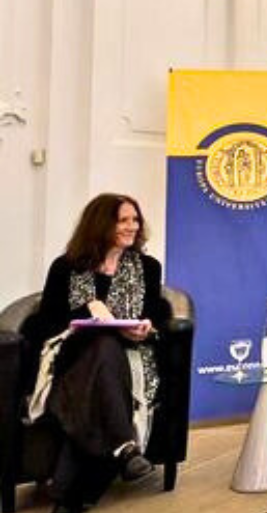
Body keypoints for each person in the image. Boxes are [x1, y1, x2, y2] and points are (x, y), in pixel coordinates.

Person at [21, 194, 167, 513]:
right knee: (100, 347)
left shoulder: (148, 267)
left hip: (128, 360)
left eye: (135, 219)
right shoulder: (67, 267)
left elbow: (158, 315)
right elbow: (44, 322)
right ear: (101, 224)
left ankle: (68, 495)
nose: (132, 226)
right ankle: (124, 447)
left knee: (105, 353)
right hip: (73, 359)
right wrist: (87, 311)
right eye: (123, 220)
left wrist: (146, 328)